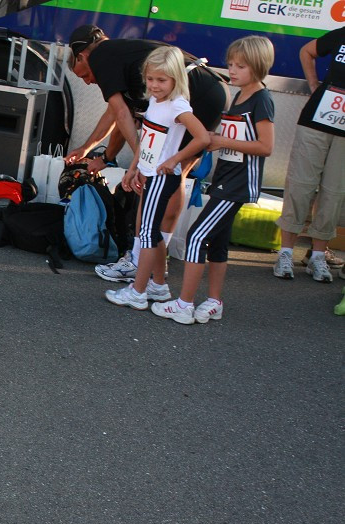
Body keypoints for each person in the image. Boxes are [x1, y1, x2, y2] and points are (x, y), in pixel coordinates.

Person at [64, 25, 228, 284]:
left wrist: (141, 160)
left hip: (197, 92)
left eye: (83, 76)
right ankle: (154, 264)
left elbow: (121, 114)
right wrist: (96, 152)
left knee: (159, 176)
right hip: (211, 88)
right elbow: (117, 115)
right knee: (176, 174)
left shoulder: (100, 57)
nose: (88, 81)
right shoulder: (120, 54)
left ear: (81, 56)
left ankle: (141, 261)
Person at [151, 36, 275, 324]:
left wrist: (219, 141)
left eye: (240, 66)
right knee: (218, 242)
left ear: (257, 66)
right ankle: (214, 301)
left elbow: (266, 146)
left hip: (238, 182)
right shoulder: (240, 95)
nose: (232, 70)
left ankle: (184, 303)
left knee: (196, 237)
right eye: (231, 64)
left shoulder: (262, 99)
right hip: (225, 177)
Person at [105, 45, 210, 310]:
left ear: (176, 78)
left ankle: (138, 291)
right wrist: (133, 168)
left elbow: (203, 138)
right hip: (151, 173)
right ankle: (158, 285)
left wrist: (174, 160)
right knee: (151, 232)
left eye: (161, 80)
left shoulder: (177, 106)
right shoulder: (156, 101)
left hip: (164, 177)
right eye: (150, 79)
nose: (154, 85)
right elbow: (148, 138)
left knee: (148, 233)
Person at [274, 26, 345, 283]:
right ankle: (285, 252)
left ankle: (317, 256)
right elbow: (307, 51)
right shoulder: (341, 34)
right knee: (300, 184)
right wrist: (314, 83)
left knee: (334, 191)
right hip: (315, 121)